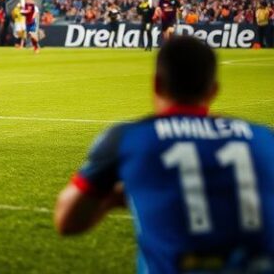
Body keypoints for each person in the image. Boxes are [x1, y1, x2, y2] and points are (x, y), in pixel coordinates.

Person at [54, 36, 274, 272]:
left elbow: (67, 221)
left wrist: (114, 199)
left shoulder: (130, 138)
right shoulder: (264, 137)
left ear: (157, 84)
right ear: (213, 90)